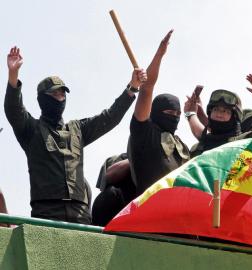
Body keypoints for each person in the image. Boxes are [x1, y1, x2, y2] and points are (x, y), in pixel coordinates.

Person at [4, 46, 146, 224]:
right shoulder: (31, 130)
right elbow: (13, 110)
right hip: (47, 213)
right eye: (55, 93)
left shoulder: (77, 129)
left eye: (63, 93)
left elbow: (109, 118)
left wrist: (132, 88)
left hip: (80, 214)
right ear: (43, 99)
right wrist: (13, 75)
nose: (60, 97)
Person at [128, 30, 190, 197]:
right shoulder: (145, 132)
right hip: (149, 210)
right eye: (170, 112)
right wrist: (160, 54)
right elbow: (146, 88)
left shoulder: (181, 146)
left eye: (178, 113)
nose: (175, 117)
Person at [186, 74, 252, 157]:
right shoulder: (198, 148)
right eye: (216, 109)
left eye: (226, 111)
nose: (219, 114)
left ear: (235, 117)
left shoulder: (245, 142)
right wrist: (191, 113)